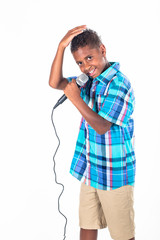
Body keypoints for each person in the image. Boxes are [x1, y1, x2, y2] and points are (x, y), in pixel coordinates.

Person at [49, 25, 136, 240]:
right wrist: (61, 47)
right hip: (91, 169)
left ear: (102, 50)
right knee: (87, 226)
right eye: (79, 62)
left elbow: (102, 126)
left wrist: (76, 99)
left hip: (115, 174)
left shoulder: (119, 83)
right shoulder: (90, 81)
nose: (86, 66)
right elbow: (55, 82)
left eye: (89, 58)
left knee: (122, 235)